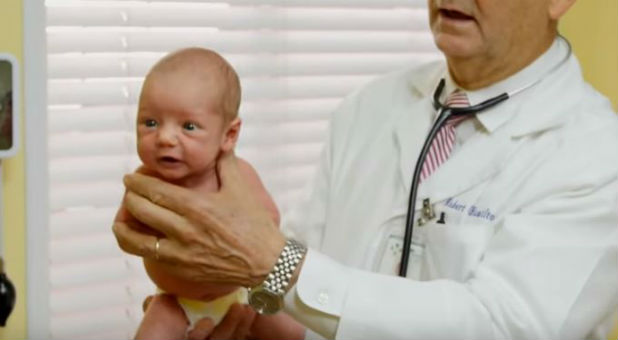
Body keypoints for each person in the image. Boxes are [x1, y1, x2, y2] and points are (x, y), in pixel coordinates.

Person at [113, 0, 618, 339]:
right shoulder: (369, 108)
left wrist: (275, 264)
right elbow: (293, 286)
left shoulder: (595, 152)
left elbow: (502, 327)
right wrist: (238, 315)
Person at [113, 47, 300, 339]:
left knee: (295, 332)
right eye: (150, 122)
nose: (164, 137)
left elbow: (269, 223)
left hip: (242, 295)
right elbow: (125, 230)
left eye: (188, 126)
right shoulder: (146, 181)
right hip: (176, 302)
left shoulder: (238, 176)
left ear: (229, 135)